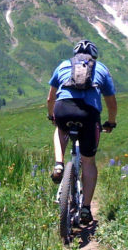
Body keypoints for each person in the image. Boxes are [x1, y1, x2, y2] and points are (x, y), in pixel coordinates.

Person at [47, 40, 118, 224]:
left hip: (63, 108)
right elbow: (111, 101)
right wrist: (111, 122)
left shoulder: (63, 65)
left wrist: (51, 115)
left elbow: (50, 98)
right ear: (93, 56)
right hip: (88, 115)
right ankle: (86, 208)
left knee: (59, 127)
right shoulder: (101, 68)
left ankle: (59, 164)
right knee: (88, 162)